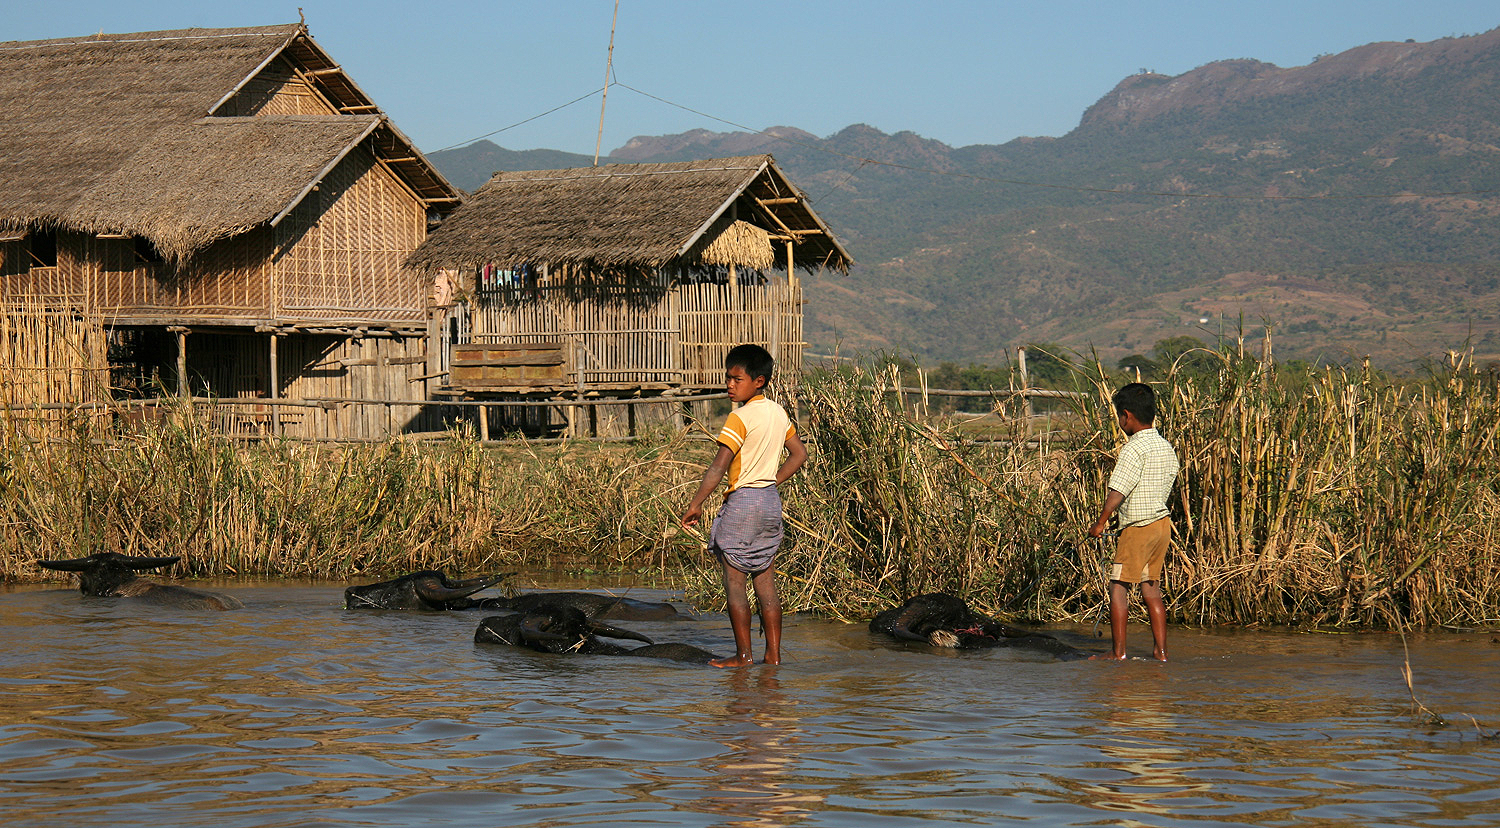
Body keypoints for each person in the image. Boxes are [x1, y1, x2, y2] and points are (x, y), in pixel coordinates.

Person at [681, 344, 807, 667]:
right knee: (765, 581)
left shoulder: (739, 418)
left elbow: (717, 468)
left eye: (737, 379)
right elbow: (800, 455)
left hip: (743, 502)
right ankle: (773, 656)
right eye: (728, 378)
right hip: (769, 501)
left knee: (734, 581)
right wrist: (773, 481)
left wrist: (696, 504)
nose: (730, 384)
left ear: (759, 381)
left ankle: (743, 656)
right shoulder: (778, 413)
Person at [1088, 382, 1179, 662]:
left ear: (1126, 416)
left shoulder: (1133, 449)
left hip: (1137, 526)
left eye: (1119, 417)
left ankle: (1118, 654)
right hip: (1161, 525)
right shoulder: (1166, 447)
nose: (1119, 422)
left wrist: (1100, 523)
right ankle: (1161, 652)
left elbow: (1118, 491)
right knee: (1151, 588)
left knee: (1118, 587)